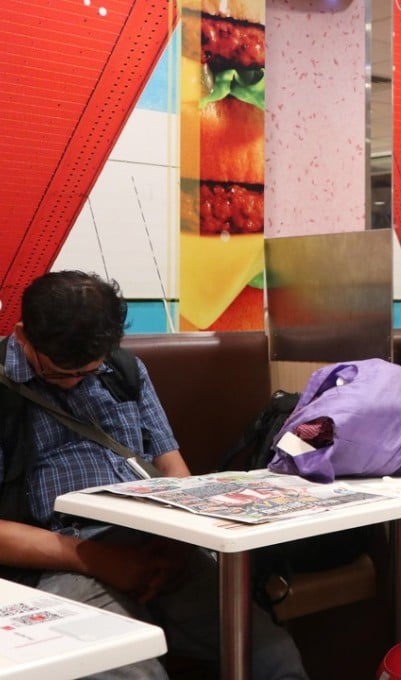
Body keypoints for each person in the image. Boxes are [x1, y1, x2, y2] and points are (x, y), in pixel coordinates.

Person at [0, 271, 307, 680]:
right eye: (60, 373)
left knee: (274, 657)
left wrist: (180, 541)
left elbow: (172, 467)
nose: (75, 383)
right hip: (61, 557)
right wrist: (98, 559)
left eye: (89, 371)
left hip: (158, 544)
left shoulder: (124, 371)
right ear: (23, 336)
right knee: (131, 674)